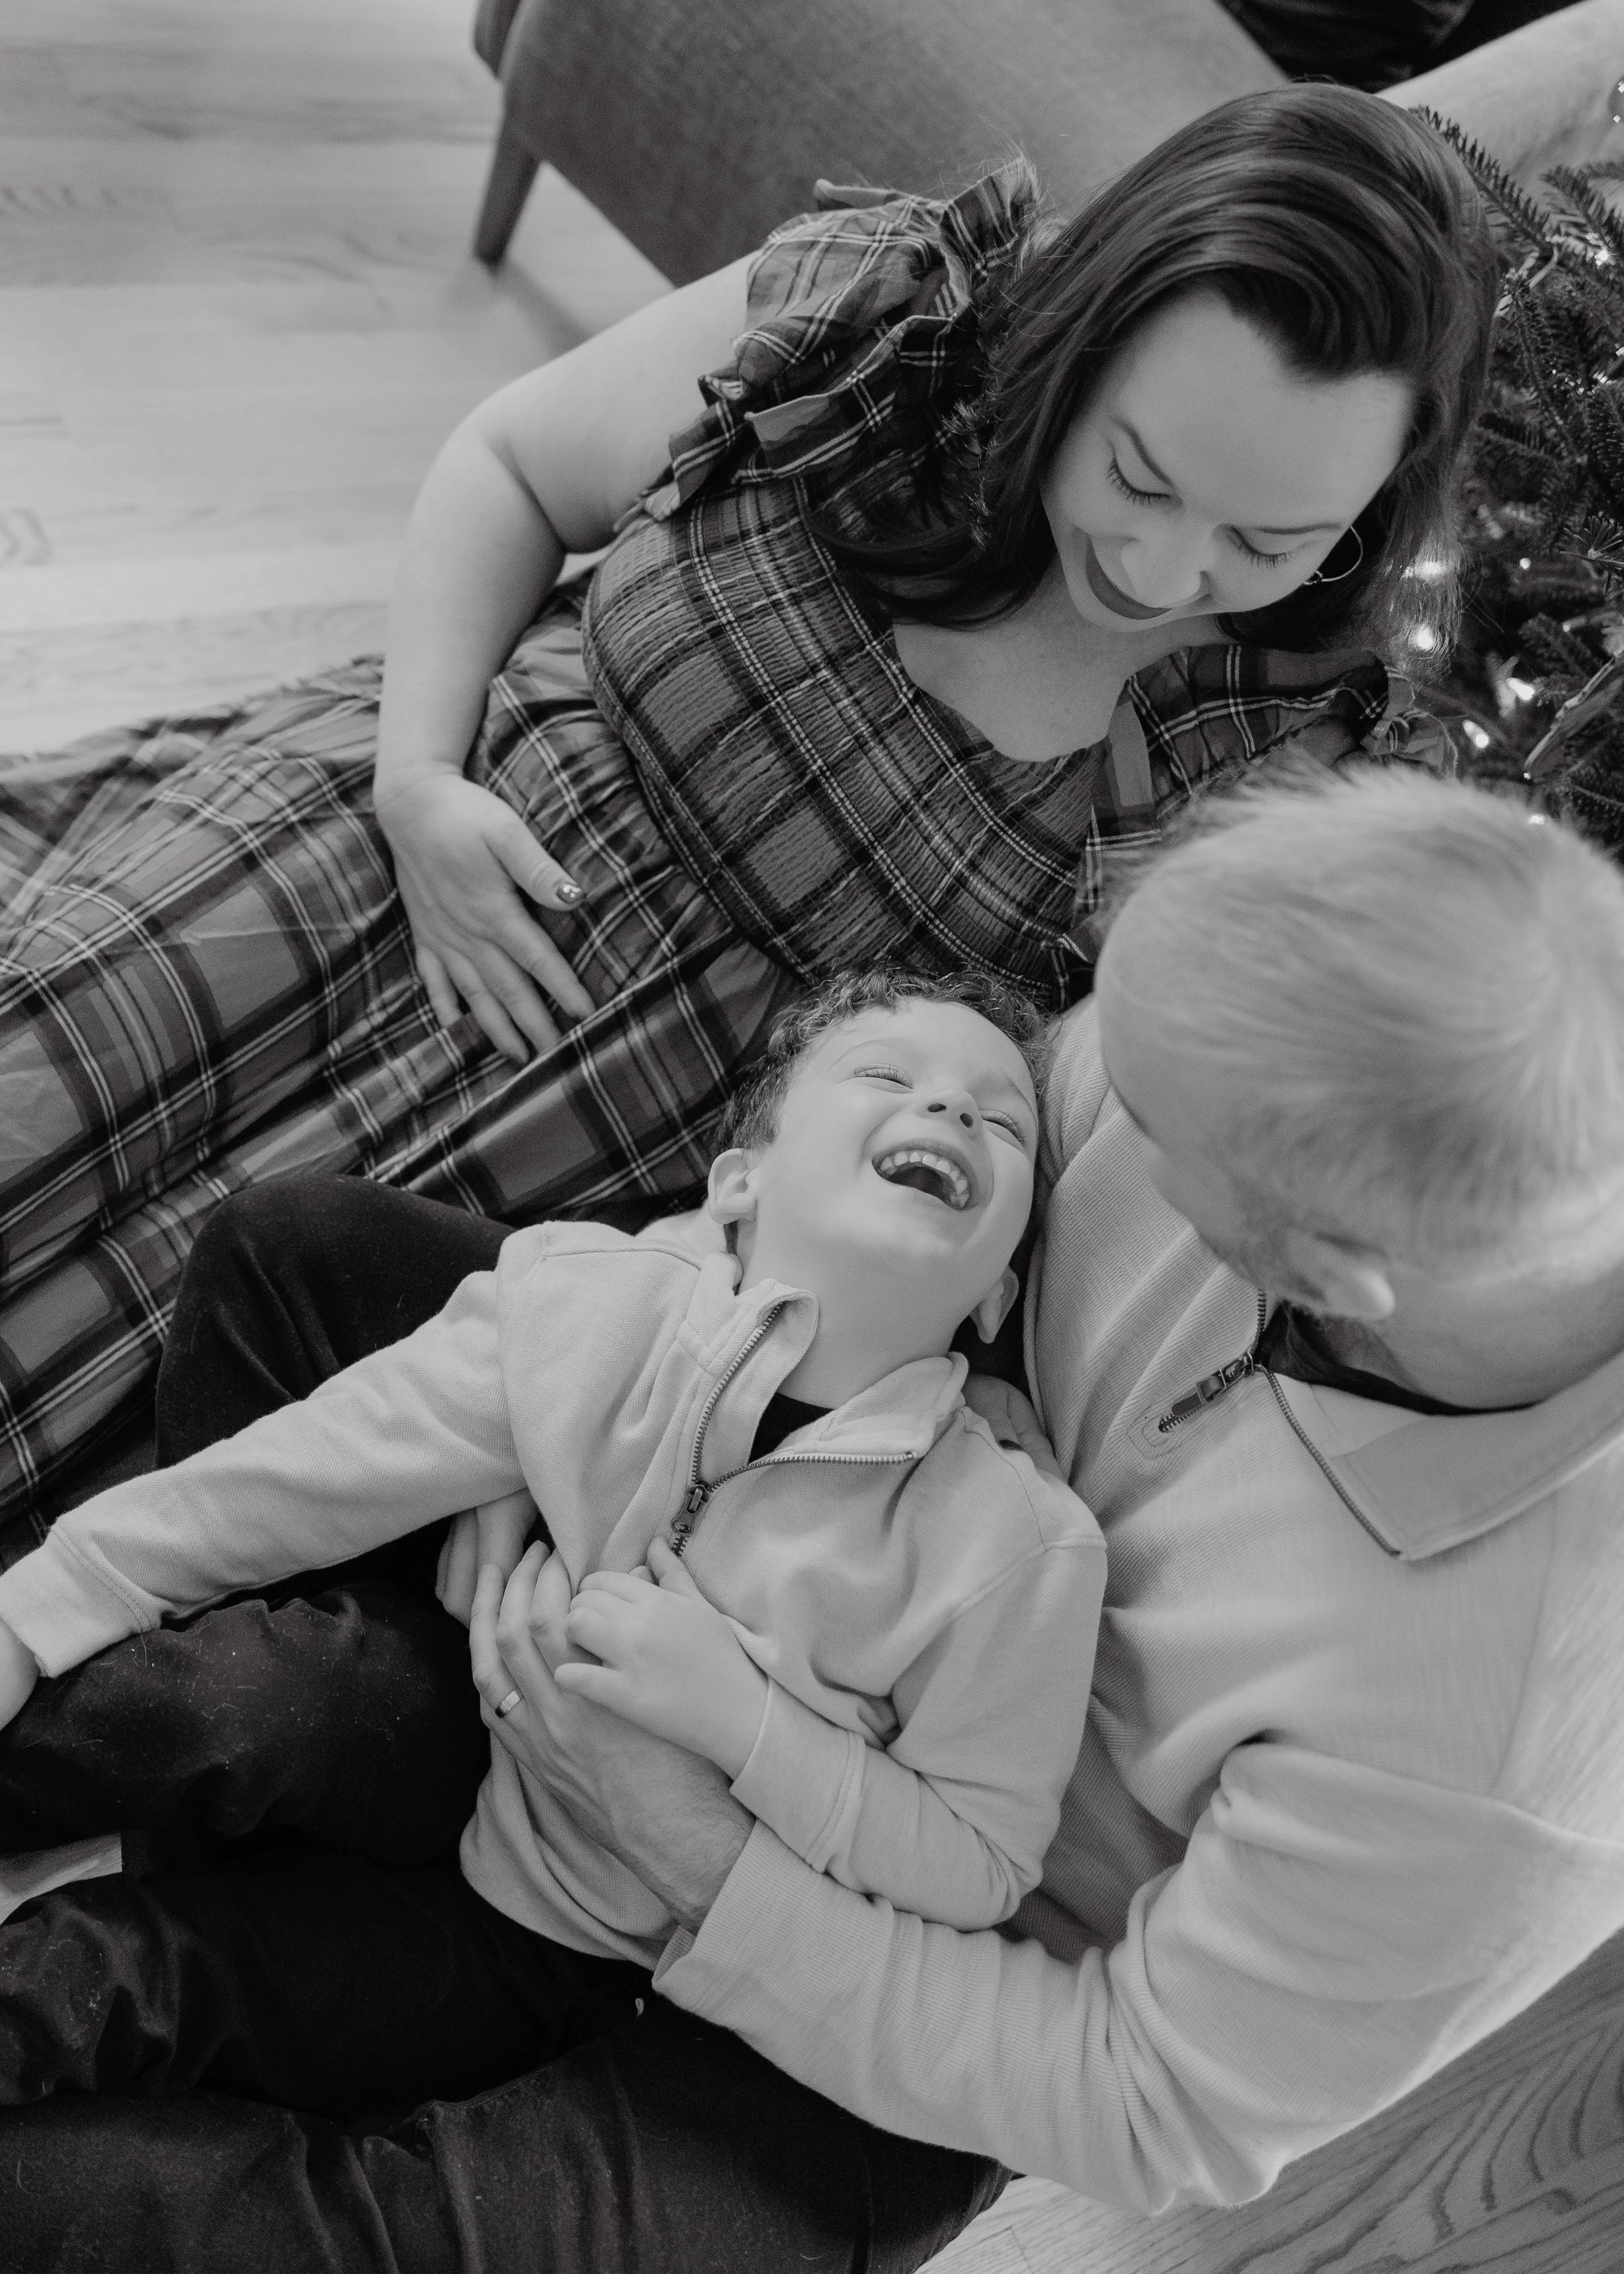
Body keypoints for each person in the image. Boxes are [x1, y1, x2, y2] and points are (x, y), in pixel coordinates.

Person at [5, 765, 1624, 2274]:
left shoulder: (1488, 1745)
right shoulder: (1311, 1053)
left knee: (313, 2225)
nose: (1077, 1124)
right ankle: (257, 1886)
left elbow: (1145, 2103)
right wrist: (552, 1432)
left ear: (1312, 1279)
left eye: (1136, 1138)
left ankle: (306, 1967)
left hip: (921, 1966)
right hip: (711, 1555)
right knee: (298, 1259)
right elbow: (845, 1201)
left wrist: (696, 1837)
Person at [0, 83, 1497, 1529]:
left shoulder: (1279, 742)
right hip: (397, 843)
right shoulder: (897, 316)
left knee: (153, 1481)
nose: (1168, 575)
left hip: (582, 1171)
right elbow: (514, 465)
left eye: (1269, 537)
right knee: (41, 1084)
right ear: (1085, 330)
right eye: (1138, 473)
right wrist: (416, 783)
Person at [0, 972, 1105, 2115]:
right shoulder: (582, 1305)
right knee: (216, 1700)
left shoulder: (1018, 1549)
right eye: (887, 1075)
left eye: (1005, 1120)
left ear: (998, 1297)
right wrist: (33, 1612)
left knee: (103, 1978)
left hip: (548, 1949)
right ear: (741, 1181)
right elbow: (291, 1480)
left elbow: (980, 1862)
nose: (955, 1112)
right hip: (448, 1723)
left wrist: (745, 1720)